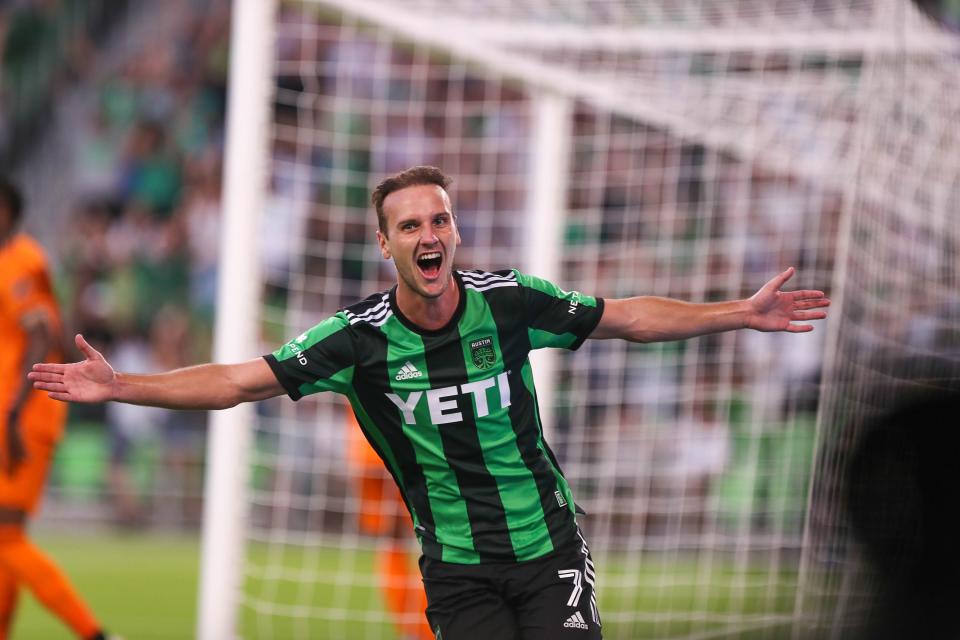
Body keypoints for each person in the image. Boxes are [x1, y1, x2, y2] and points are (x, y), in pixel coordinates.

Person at [29, 166, 830, 640]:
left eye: (439, 217)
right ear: (386, 245)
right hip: (456, 571)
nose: (429, 232)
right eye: (410, 223)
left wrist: (736, 312)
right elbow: (242, 381)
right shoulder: (357, 339)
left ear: (454, 228)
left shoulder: (511, 299)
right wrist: (125, 385)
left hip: (548, 547)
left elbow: (623, 317)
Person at [0, 177, 113, 640]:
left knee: (5, 533)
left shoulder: (20, 262)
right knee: (5, 537)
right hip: (17, 409)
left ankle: (94, 633)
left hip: (25, 414)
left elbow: (43, 331)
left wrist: (12, 414)